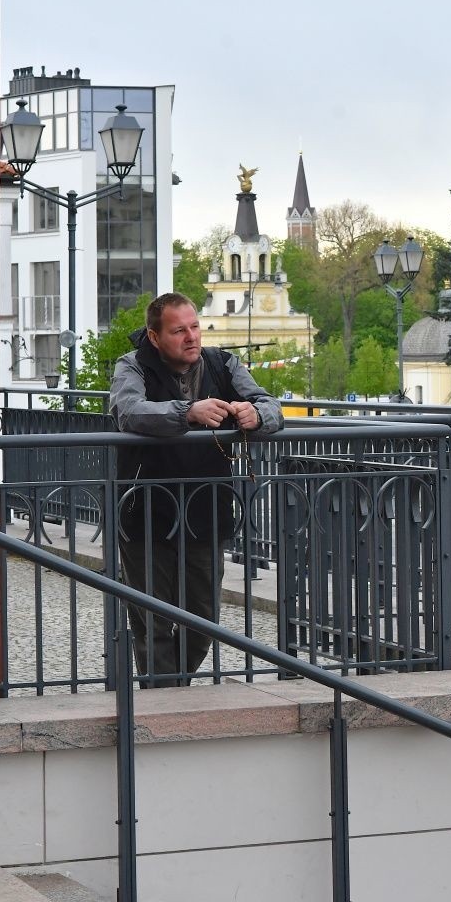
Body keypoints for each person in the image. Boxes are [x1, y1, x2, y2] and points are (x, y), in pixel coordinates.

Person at [110, 292, 283, 684]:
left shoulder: (223, 362)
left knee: (203, 619)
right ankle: (164, 701)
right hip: (144, 511)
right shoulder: (133, 364)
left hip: (207, 508)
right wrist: (186, 412)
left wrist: (254, 414)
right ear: (155, 337)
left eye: (194, 327)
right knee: (152, 618)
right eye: (178, 331)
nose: (191, 337)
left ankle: (172, 689)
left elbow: (271, 406)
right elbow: (128, 411)